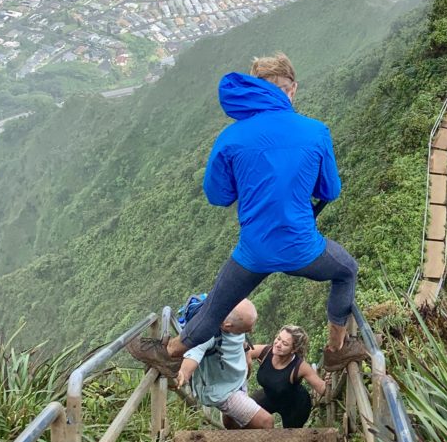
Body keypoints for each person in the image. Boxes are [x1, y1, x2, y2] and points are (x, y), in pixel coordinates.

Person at [127, 52, 367, 378]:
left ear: (253, 88)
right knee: (346, 271)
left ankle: (168, 353)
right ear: (292, 89)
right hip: (303, 247)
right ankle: (336, 351)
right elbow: (331, 191)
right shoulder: (316, 132)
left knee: (216, 307)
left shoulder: (231, 137)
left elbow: (218, 196)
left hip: (254, 251)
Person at [176, 299, 273, 430]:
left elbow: (239, 339)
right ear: (227, 326)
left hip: (234, 379)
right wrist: (181, 375)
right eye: (246, 329)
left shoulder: (229, 308)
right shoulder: (206, 335)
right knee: (266, 422)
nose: (251, 331)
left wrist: (246, 353)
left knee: (234, 418)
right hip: (224, 391)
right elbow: (191, 360)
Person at [249, 324, 326, 429]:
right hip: (269, 396)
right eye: (278, 339)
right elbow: (244, 351)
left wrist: (328, 383)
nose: (278, 344)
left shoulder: (300, 366)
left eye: (284, 343)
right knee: (247, 415)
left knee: (289, 438)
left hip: (295, 405)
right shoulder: (265, 352)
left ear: (293, 349)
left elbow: (321, 387)